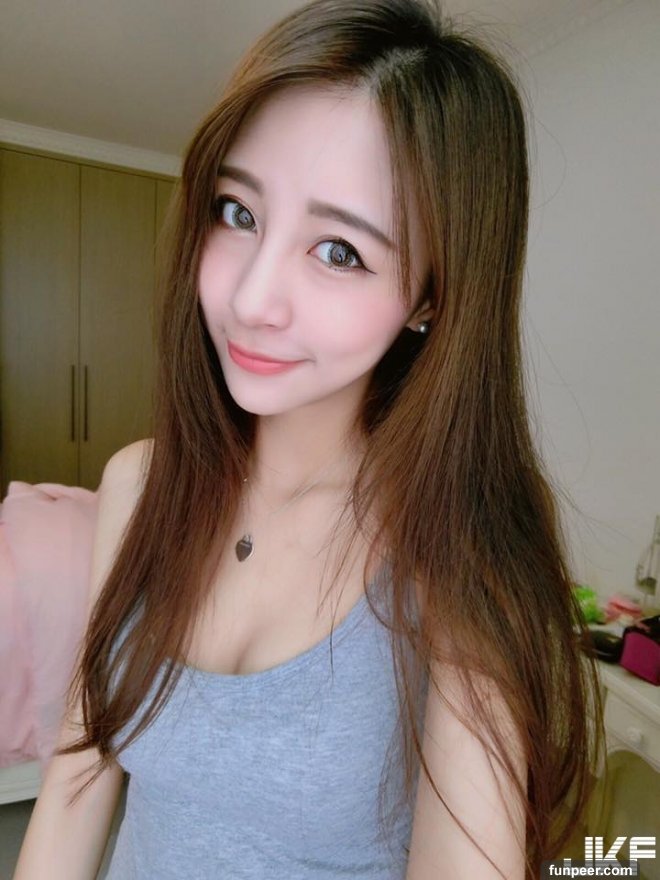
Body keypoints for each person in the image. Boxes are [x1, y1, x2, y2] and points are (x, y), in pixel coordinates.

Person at [14, 0, 604, 878]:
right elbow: (76, 777)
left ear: (431, 297)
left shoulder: (450, 545)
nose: (251, 298)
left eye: (339, 252)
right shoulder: (139, 485)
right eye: (238, 211)